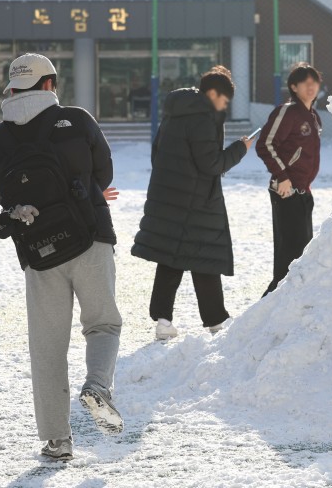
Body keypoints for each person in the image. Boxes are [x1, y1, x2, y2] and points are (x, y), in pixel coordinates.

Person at [0, 53, 123, 461]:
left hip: (38, 250)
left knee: (47, 345)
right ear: (49, 84)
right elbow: (105, 173)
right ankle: (97, 387)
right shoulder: (76, 120)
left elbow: (4, 195)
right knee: (102, 324)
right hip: (90, 236)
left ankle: (56, 441)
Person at [132, 66, 253, 340]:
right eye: (224, 100)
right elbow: (211, 163)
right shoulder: (203, 118)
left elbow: (157, 155)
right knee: (204, 258)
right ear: (213, 93)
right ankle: (216, 322)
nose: (225, 107)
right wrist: (240, 149)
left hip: (169, 198)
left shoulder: (174, 114)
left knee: (171, 259)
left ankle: (164, 322)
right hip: (196, 201)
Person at [255, 63, 322, 296]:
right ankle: (269, 307)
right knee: (288, 259)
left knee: (303, 254)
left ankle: (293, 306)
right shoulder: (288, 111)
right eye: (305, 82)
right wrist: (282, 178)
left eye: (314, 81)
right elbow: (265, 145)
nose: (311, 86)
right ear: (293, 87)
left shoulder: (314, 117)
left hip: (304, 194)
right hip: (286, 192)